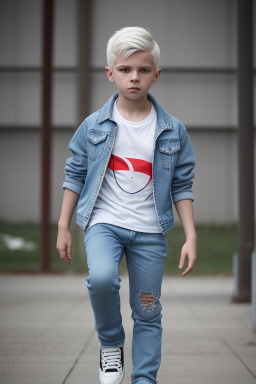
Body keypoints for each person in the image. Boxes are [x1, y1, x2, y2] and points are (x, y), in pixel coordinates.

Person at [56, 26, 197, 384]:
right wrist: (63, 226)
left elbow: (182, 184)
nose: (134, 77)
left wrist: (191, 236)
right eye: (125, 69)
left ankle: (144, 379)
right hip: (104, 222)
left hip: (150, 231)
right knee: (101, 279)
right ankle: (110, 345)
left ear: (156, 75)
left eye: (143, 70)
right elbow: (75, 174)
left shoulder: (172, 130)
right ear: (110, 74)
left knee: (148, 309)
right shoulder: (93, 126)